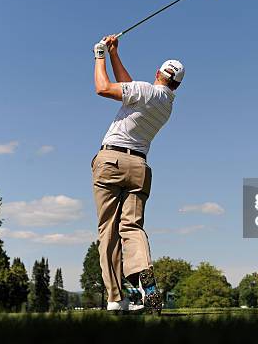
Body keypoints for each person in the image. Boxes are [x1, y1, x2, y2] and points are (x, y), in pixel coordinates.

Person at [91, 35, 184, 313]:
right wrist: (115, 55)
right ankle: (145, 281)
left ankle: (115, 298)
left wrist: (99, 55)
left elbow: (104, 88)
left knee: (108, 230)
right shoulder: (165, 103)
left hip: (111, 161)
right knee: (132, 227)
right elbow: (129, 87)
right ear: (177, 83)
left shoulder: (146, 91)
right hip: (139, 168)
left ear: (158, 73)